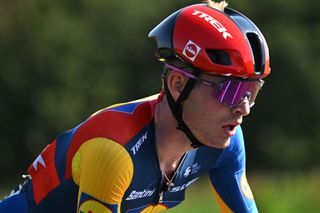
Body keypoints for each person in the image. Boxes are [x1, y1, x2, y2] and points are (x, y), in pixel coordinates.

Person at [0, 0, 270, 212]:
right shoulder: (114, 151)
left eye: (251, 91)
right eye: (231, 91)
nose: (243, 108)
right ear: (178, 85)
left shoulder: (226, 141)